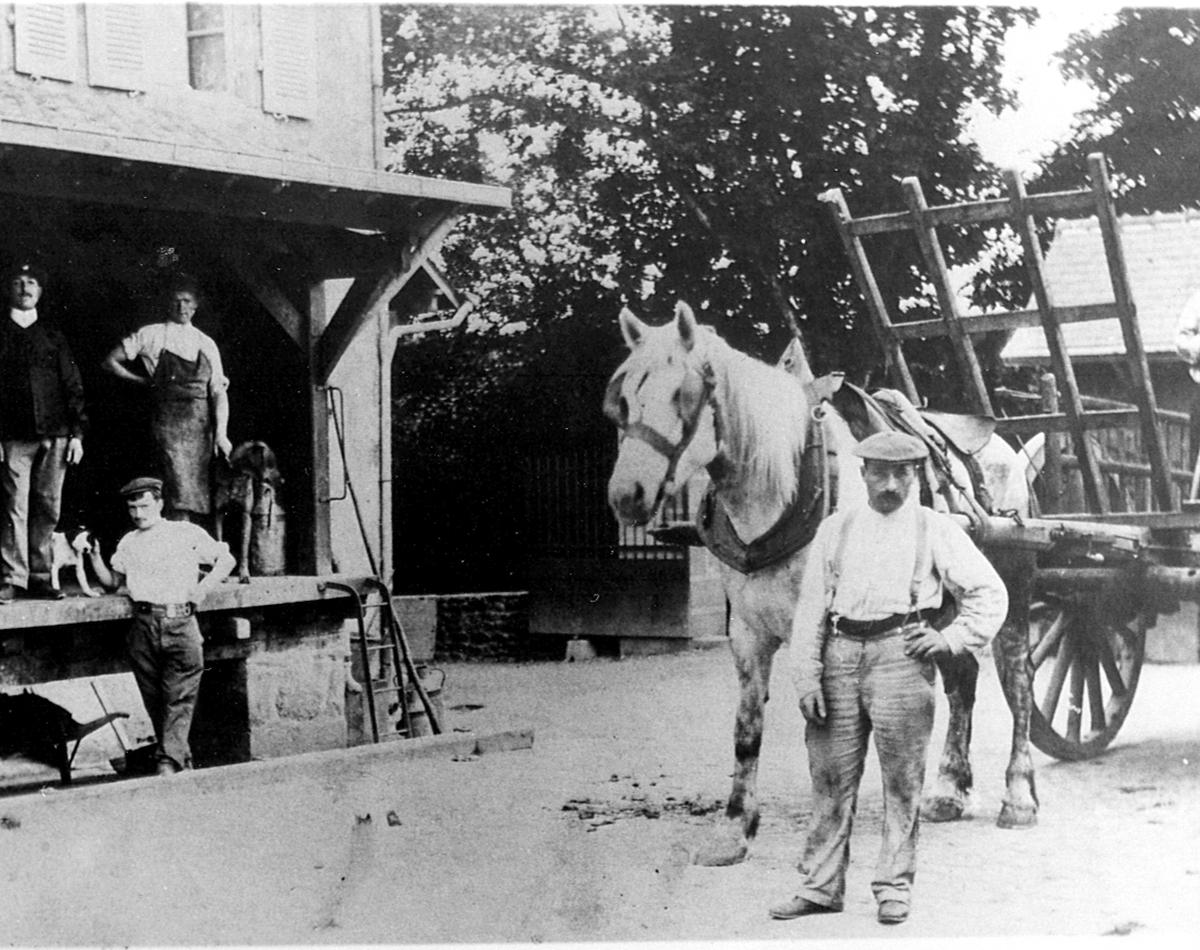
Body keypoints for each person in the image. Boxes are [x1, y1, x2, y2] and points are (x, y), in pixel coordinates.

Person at [770, 431, 1008, 926]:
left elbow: (989, 591)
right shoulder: (835, 529)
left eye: (902, 473)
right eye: (880, 473)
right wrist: (807, 677)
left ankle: (894, 888)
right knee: (830, 778)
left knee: (902, 782)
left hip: (901, 656)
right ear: (863, 474)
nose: (891, 484)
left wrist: (951, 639)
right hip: (838, 656)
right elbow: (811, 609)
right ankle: (820, 887)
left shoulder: (933, 528)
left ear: (916, 475)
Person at [90, 476, 235, 776]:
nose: (138, 514)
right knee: (154, 699)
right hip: (143, 625)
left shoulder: (184, 532)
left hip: (180, 622)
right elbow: (113, 582)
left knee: (177, 697)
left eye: (144, 506)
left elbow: (226, 560)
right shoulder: (128, 542)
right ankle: (182, 762)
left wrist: (203, 588)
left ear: (159, 503)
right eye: (132, 508)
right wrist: (93, 556)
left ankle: (167, 764)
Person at [102, 275, 232, 524]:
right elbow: (110, 362)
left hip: (200, 429)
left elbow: (218, 392)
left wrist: (221, 434)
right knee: (175, 489)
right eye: (176, 301)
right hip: (168, 426)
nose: (182, 306)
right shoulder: (152, 334)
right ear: (167, 303)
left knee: (199, 492)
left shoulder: (206, 343)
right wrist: (142, 381)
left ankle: (191, 541)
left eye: (187, 301)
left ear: (196, 305)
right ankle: (176, 540)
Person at [0, 262, 87, 603]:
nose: (25, 287)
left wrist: (77, 433)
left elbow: (72, 384)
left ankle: (39, 575)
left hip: (57, 434)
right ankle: (12, 577)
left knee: (48, 505)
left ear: (41, 290)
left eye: (32, 281)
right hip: (13, 436)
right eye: (18, 281)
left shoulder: (53, 336)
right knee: (14, 506)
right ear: (8, 289)